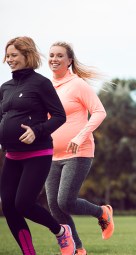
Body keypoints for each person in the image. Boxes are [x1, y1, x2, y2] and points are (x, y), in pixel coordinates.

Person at [0, 36, 75, 255]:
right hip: (12, 155)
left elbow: (60, 116)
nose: (10, 59)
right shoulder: (5, 88)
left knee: (23, 203)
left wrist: (37, 131)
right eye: (8, 55)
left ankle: (61, 231)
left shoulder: (41, 83)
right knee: (9, 208)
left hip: (37, 153)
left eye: (14, 55)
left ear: (27, 56)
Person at [45, 41, 114, 255]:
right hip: (51, 155)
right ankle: (77, 249)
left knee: (65, 201)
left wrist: (80, 135)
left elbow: (99, 111)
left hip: (78, 152)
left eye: (59, 56)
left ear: (69, 61)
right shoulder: (46, 87)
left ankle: (102, 213)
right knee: (55, 207)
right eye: (51, 55)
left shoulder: (78, 84)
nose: (54, 59)